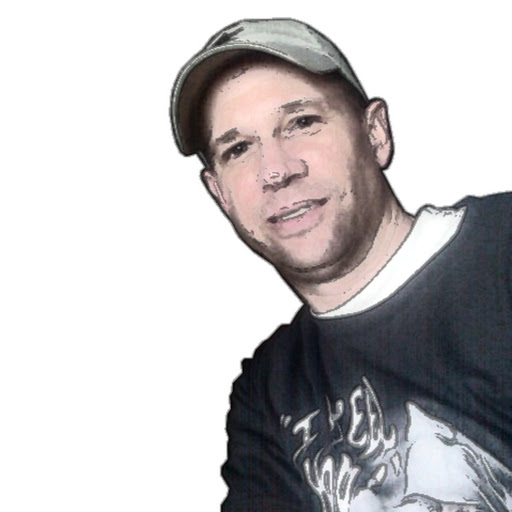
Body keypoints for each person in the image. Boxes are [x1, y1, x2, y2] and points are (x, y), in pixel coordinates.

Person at [170, 18, 512, 512]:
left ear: (375, 133)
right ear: (220, 194)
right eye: (239, 149)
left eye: (301, 123)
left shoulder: (502, 246)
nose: (276, 170)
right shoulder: (269, 390)